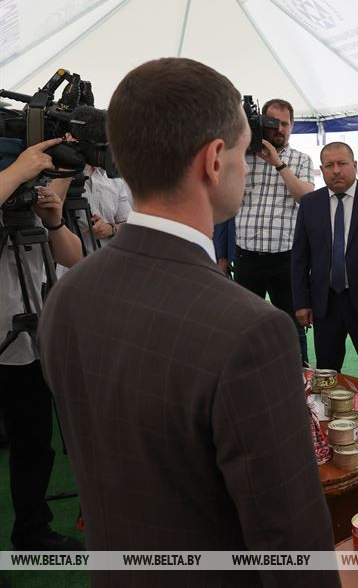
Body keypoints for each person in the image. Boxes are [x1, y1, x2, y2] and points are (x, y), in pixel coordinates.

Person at [38, 58, 339, 588]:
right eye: (243, 151)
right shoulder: (252, 330)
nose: (248, 164)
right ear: (215, 160)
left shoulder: (67, 295)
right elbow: (292, 548)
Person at [0, 139, 83, 554]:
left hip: (28, 342)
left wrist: (53, 221)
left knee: (33, 443)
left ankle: (32, 531)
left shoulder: (25, 195)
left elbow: (74, 258)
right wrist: (17, 170)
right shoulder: (12, 177)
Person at [292, 142, 358, 395]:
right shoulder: (310, 203)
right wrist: (301, 302)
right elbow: (300, 256)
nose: (336, 170)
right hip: (325, 304)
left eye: (342, 163)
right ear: (321, 170)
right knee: (326, 376)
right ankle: (326, 418)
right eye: (329, 165)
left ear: (355, 165)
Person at [234, 98, 315, 363]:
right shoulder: (242, 157)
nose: (279, 129)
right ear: (260, 123)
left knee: (293, 326)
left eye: (285, 124)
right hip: (247, 257)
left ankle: (300, 375)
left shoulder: (301, 159)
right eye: (272, 122)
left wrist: (278, 163)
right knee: (243, 327)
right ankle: (245, 374)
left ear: (292, 126)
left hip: (286, 259)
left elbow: (306, 198)